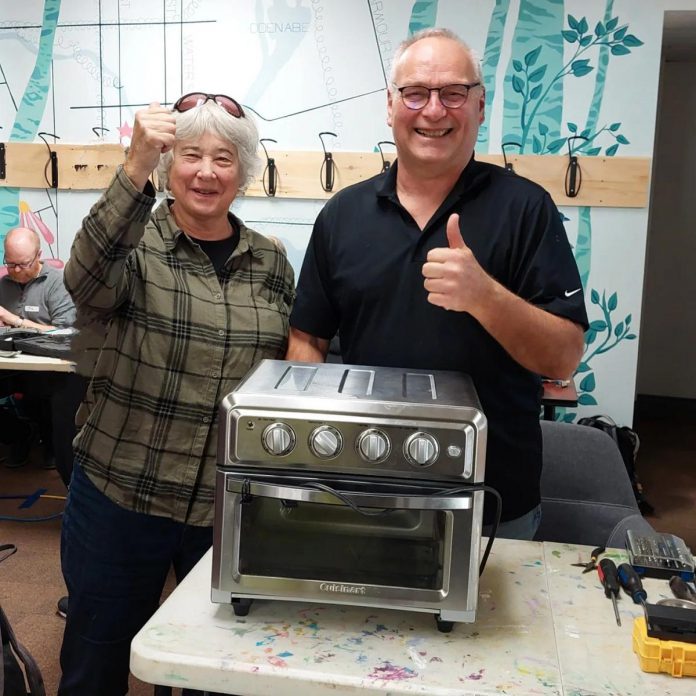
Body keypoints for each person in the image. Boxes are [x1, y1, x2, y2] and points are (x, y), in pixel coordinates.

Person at [287, 28, 588, 540]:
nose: (433, 110)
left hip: (492, 502)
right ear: (390, 106)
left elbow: (562, 359)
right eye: (415, 93)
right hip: (366, 487)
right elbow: (307, 340)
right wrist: (313, 449)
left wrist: (484, 295)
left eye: (453, 93)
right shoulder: (342, 215)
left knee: (492, 624)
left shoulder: (526, 209)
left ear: (479, 106)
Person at [58, 93, 295, 696]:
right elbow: (84, 277)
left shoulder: (271, 261)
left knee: (214, 668)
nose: (207, 172)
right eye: (191, 154)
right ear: (169, 164)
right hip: (120, 495)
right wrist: (133, 164)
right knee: (95, 658)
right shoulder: (132, 242)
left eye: (224, 157)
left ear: (243, 171)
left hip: (222, 509)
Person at [0, 227, 77, 471]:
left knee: (55, 394)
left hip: (47, 368)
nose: (16, 271)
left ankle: (53, 443)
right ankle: (17, 434)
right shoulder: (4, 284)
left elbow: (65, 332)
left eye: (23, 264)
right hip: (9, 364)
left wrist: (17, 321)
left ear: (38, 256)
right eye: (10, 264)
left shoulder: (57, 283)